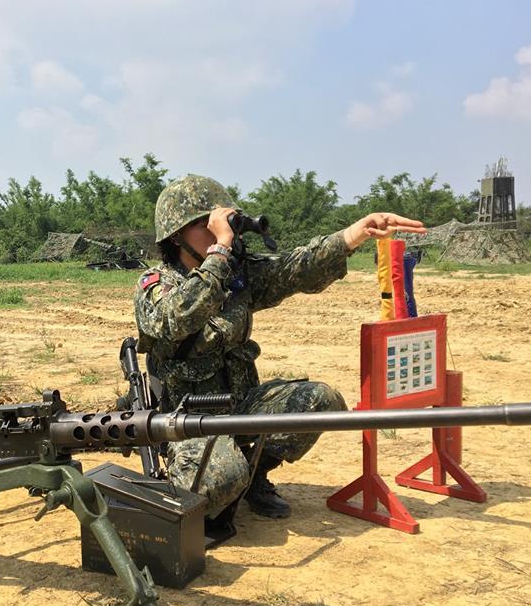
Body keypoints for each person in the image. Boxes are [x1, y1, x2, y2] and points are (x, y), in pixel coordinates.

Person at [134, 175, 425, 530]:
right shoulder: (157, 283)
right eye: (205, 225)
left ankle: (254, 472)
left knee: (319, 402)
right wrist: (219, 254)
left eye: (223, 224)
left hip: (242, 408)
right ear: (177, 235)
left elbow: (294, 269)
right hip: (188, 422)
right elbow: (174, 319)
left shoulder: (236, 275)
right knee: (221, 479)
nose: (218, 232)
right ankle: (212, 473)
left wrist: (355, 234)